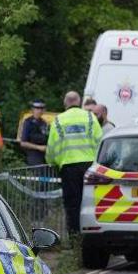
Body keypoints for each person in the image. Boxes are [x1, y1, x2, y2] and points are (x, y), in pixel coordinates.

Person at [46, 91, 103, 235]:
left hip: (68, 167)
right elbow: (100, 141)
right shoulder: (91, 117)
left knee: (72, 204)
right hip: (90, 166)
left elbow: (52, 147)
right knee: (90, 202)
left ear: (65, 103)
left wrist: (53, 162)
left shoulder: (58, 120)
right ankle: (91, 234)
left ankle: (74, 237)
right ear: (79, 102)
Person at [19, 99, 50, 166]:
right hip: (34, 155)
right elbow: (23, 143)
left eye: (42, 109)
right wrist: (38, 147)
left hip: (45, 155)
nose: (39, 111)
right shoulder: (28, 122)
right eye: (37, 109)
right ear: (32, 109)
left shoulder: (44, 123)